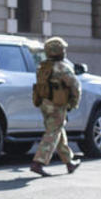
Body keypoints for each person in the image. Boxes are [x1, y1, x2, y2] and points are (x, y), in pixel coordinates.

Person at [30, 36, 81, 176]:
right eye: (63, 49)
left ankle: (69, 162)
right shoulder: (63, 67)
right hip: (57, 105)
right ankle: (38, 162)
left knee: (57, 130)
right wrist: (73, 103)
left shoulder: (43, 66)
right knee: (53, 132)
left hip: (44, 104)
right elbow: (75, 86)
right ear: (58, 51)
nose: (65, 51)